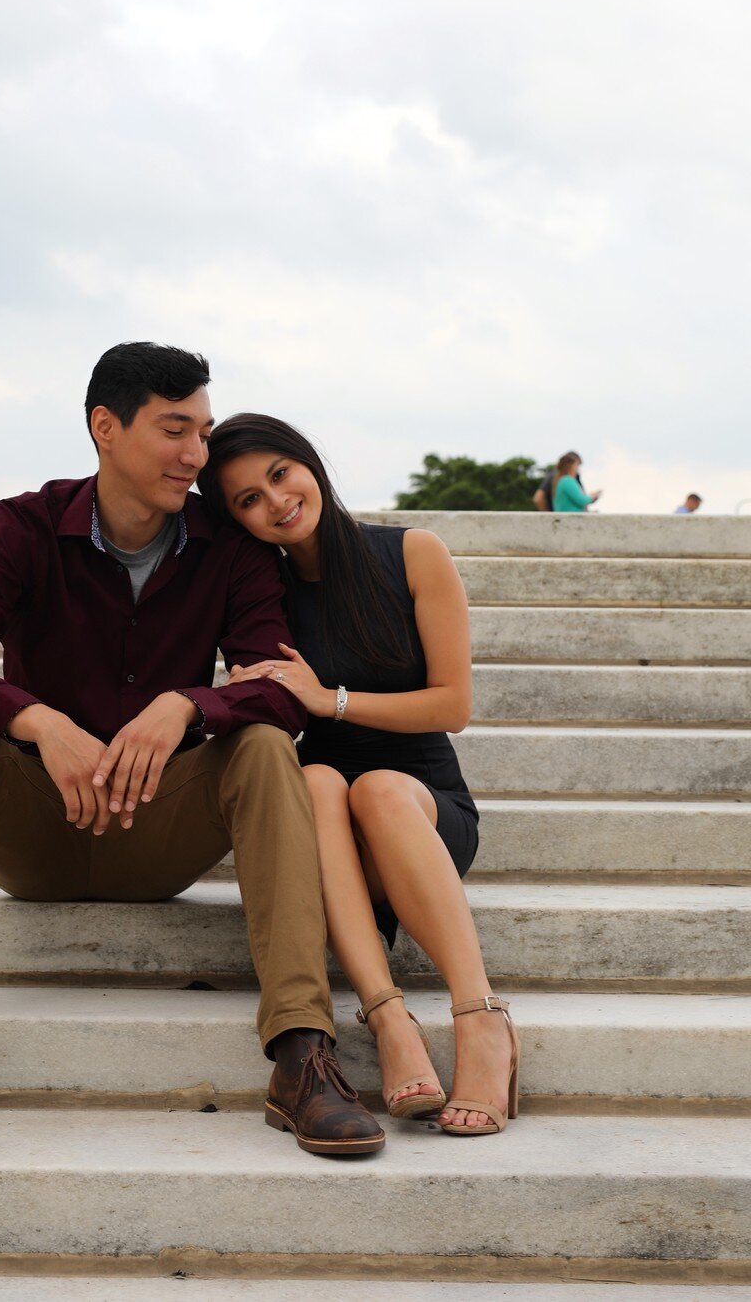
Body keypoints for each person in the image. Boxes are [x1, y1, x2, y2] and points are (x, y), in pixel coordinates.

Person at [0, 344, 382, 1158]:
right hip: (39, 830)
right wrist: (37, 722)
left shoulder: (230, 548)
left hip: (162, 831)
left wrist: (187, 704)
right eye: (175, 430)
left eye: (203, 431)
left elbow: (279, 685)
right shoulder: (23, 526)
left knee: (268, 744)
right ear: (106, 427)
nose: (197, 454)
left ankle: (302, 1055)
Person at [199, 415, 519, 1138]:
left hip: (424, 814)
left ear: (307, 463)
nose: (276, 501)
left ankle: (482, 1019)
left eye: (280, 474)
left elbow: (454, 704)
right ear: (237, 521)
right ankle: (387, 1014)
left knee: (374, 787)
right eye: (248, 499)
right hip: (330, 835)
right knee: (317, 781)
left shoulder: (411, 553)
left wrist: (328, 700)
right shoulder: (262, 599)